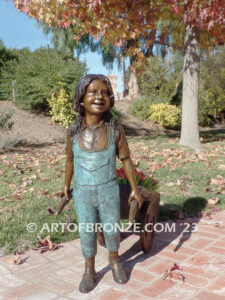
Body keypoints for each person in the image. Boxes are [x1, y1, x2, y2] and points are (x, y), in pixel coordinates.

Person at [62, 74, 142, 293]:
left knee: (111, 227)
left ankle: (115, 260)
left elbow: (125, 159)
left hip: (109, 190)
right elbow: (70, 160)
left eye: (105, 93)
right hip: (82, 192)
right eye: (93, 92)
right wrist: (65, 186)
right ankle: (89, 269)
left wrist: (134, 188)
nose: (100, 96)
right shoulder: (72, 132)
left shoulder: (116, 132)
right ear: (81, 99)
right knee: (87, 230)